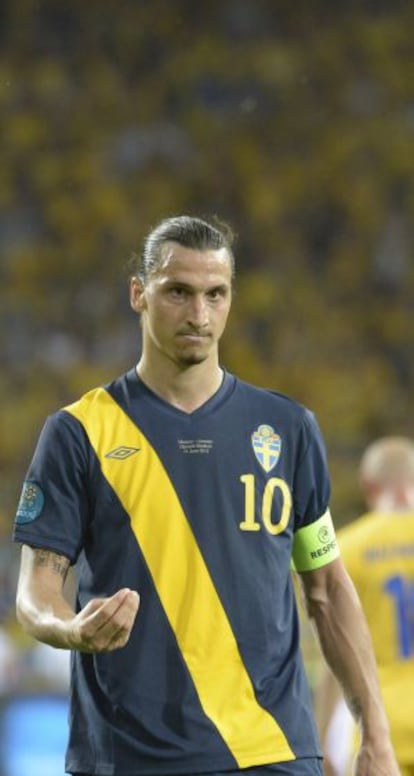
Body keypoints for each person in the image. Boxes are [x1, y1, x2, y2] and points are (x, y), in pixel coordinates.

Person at [12, 215, 399, 776]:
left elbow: (327, 589)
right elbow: (35, 592)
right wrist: (69, 628)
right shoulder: (80, 433)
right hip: (128, 756)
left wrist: (375, 736)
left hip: (271, 750)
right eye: (178, 292)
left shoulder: (287, 428)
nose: (199, 314)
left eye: (216, 294)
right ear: (139, 294)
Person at [315, 436, 414, 776]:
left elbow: (335, 650)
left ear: (368, 486)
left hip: (381, 726)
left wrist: (322, 736)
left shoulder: (346, 549)